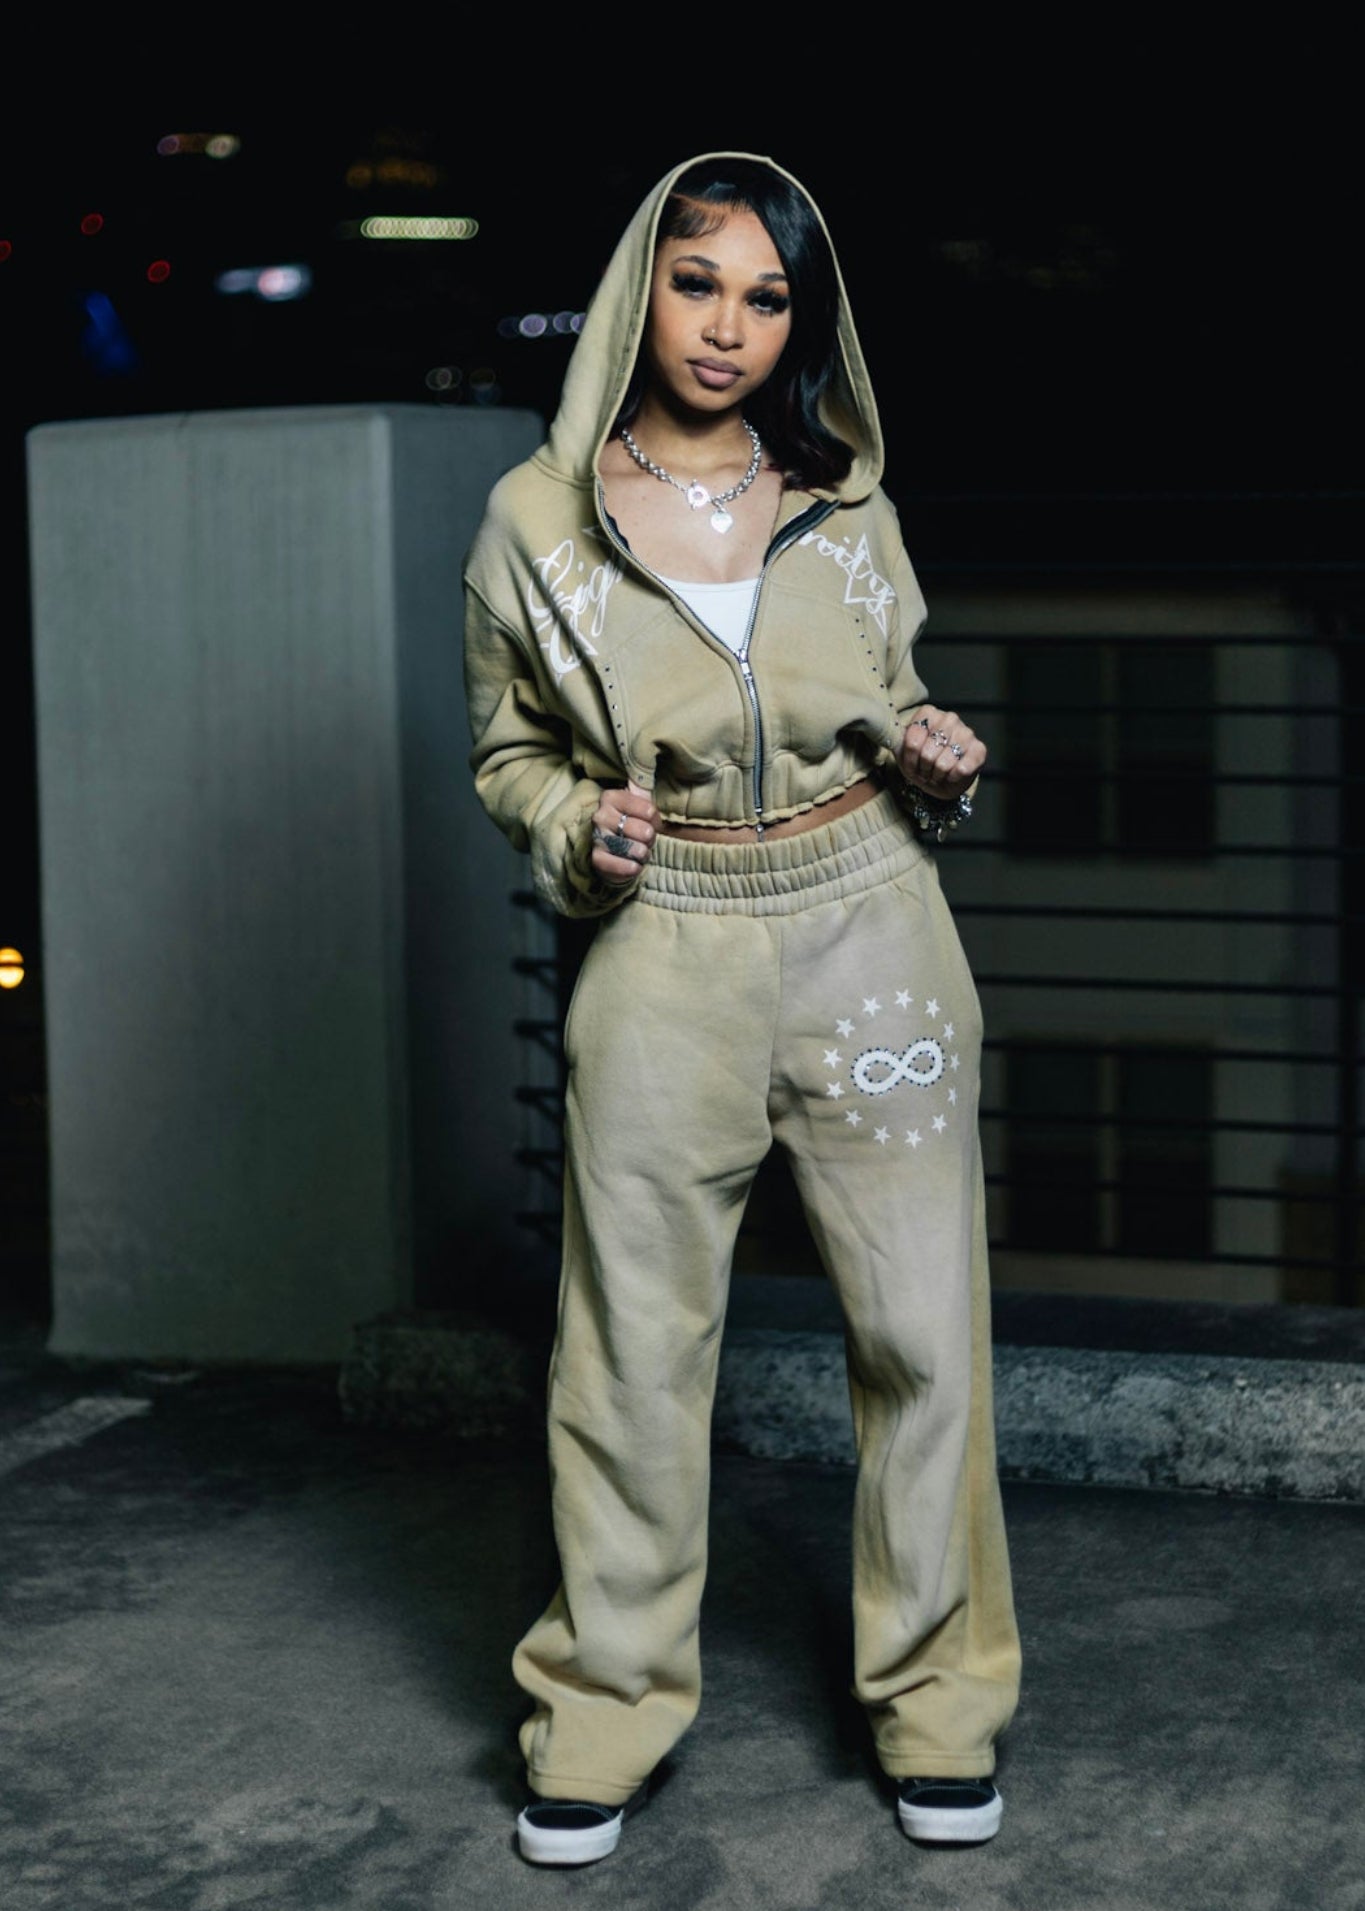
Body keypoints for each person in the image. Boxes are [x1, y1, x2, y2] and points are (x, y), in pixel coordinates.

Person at [462, 151, 1021, 1868]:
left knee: (923, 1337)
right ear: (640, 290)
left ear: (802, 323)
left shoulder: (841, 500)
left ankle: (939, 1705)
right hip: (666, 946)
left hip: (869, 923)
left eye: (767, 298)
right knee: (629, 1354)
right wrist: (580, 827)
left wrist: (931, 752)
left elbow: (891, 699)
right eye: (696, 282)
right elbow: (509, 752)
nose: (726, 327)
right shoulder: (533, 521)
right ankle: (600, 1712)